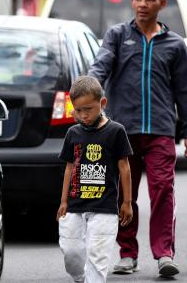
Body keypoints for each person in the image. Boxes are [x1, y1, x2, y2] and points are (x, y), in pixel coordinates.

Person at [88, 0, 187, 277]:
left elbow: (186, 91)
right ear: (132, 1)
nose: (143, 4)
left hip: (161, 129)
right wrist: (88, 90)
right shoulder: (117, 35)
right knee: (126, 193)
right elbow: (101, 65)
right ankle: (128, 253)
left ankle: (164, 253)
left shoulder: (175, 45)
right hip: (123, 131)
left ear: (162, 4)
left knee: (163, 189)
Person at [57, 76, 133, 283]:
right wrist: (63, 201)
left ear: (103, 103)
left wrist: (126, 202)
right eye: (78, 110)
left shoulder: (116, 131)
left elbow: (124, 167)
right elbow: (69, 168)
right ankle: (81, 278)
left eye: (88, 109)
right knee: (71, 253)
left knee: (97, 259)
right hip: (74, 206)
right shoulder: (73, 133)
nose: (84, 115)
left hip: (105, 208)